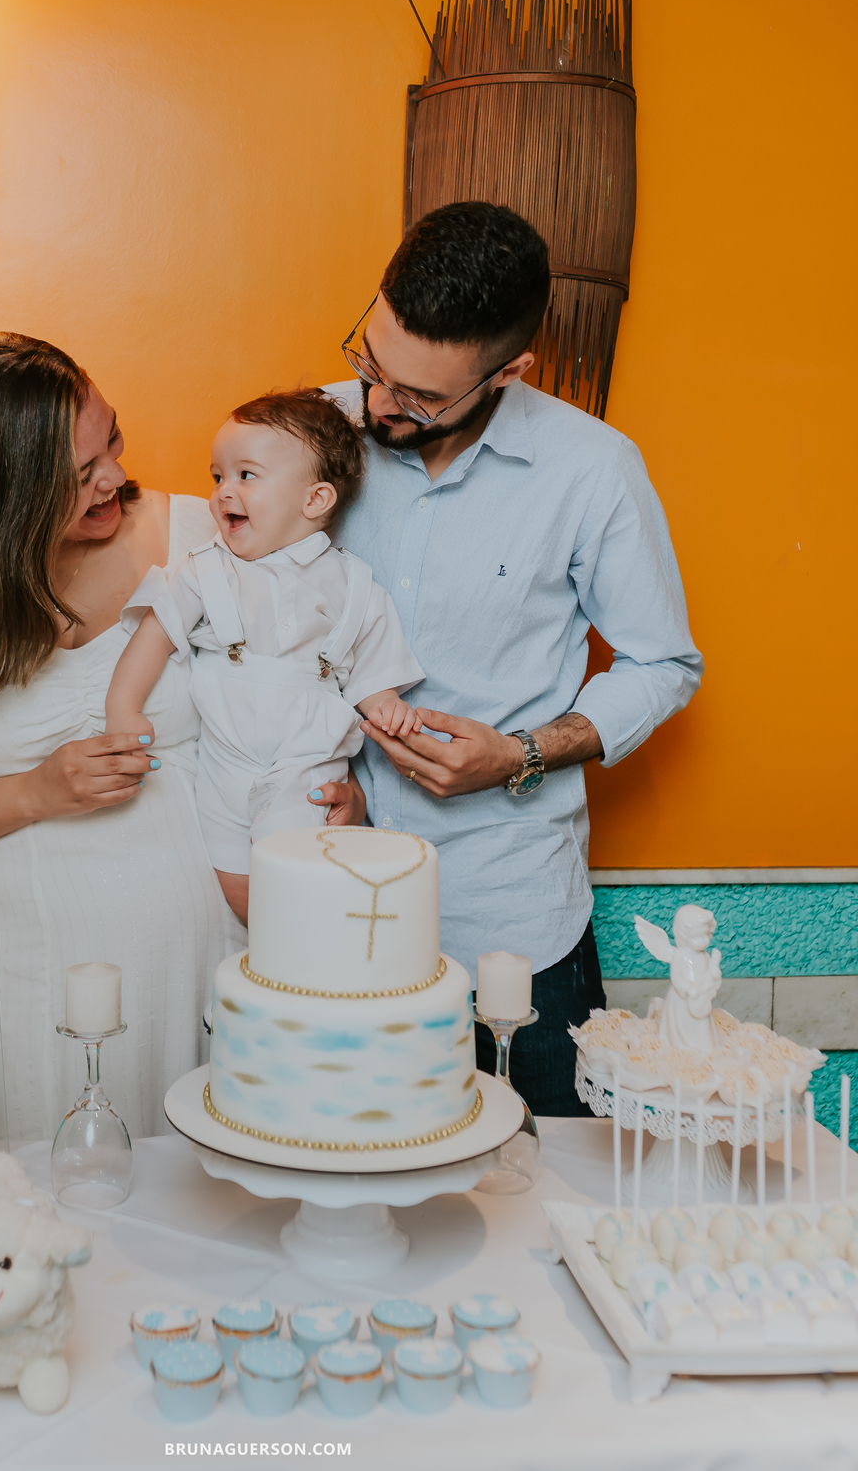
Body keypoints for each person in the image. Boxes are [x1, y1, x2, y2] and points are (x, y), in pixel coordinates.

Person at [0, 333, 360, 1144]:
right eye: (76, 477)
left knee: (223, 1203)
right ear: (2, 496)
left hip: (212, 951)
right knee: (65, 1198)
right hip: (40, 971)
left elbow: (312, 676)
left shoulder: (212, 536)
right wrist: (38, 791)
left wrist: (332, 792)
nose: (112, 479)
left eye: (113, 442)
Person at [326, 202, 703, 1117]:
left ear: (510, 372)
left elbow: (664, 663)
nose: (377, 405)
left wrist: (520, 755)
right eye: (371, 363)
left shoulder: (593, 470)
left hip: (514, 921)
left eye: (419, 398)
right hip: (331, 910)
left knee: (540, 1198)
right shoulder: (307, 439)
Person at [105, 389, 423, 923]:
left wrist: (384, 701)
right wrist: (123, 706)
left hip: (305, 760)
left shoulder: (355, 585)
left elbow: (371, 669)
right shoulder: (205, 569)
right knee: (239, 888)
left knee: (298, 884)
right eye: (217, 477)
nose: (225, 492)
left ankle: (305, 966)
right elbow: (154, 635)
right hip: (225, 763)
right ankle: (272, 964)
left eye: (246, 476)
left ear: (315, 500)